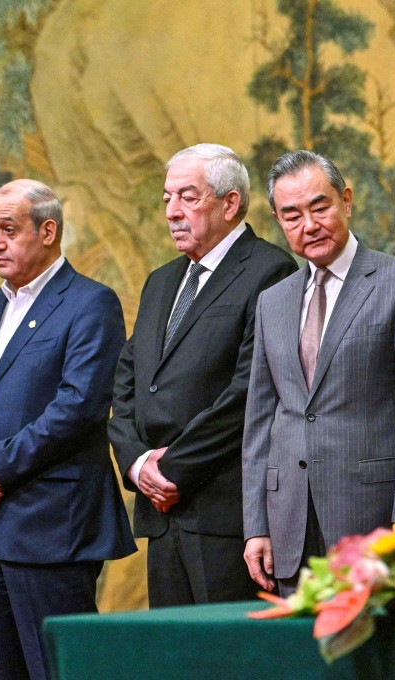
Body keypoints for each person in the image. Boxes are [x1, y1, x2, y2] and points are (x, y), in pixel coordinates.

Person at [0, 179, 135, 680]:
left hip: (51, 527)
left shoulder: (91, 303)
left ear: (48, 231)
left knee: (58, 673)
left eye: (8, 229)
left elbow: (79, 408)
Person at [109, 143, 296, 607]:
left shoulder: (270, 271)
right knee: (173, 659)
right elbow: (128, 380)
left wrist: (171, 470)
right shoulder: (161, 281)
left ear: (230, 203)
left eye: (187, 197)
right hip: (160, 511)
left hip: (223, 512)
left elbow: (249, 391)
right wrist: (137, 464)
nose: (172, 211)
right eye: (167, 198)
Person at [242, 150, 395, 594]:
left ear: (346, 200)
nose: (309, 225)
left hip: (370, 518)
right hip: (288, 519)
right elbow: (259, 422)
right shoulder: (273, 301)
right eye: (291, 216)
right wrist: (255, 525)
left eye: (319, 207)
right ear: (277, 220)